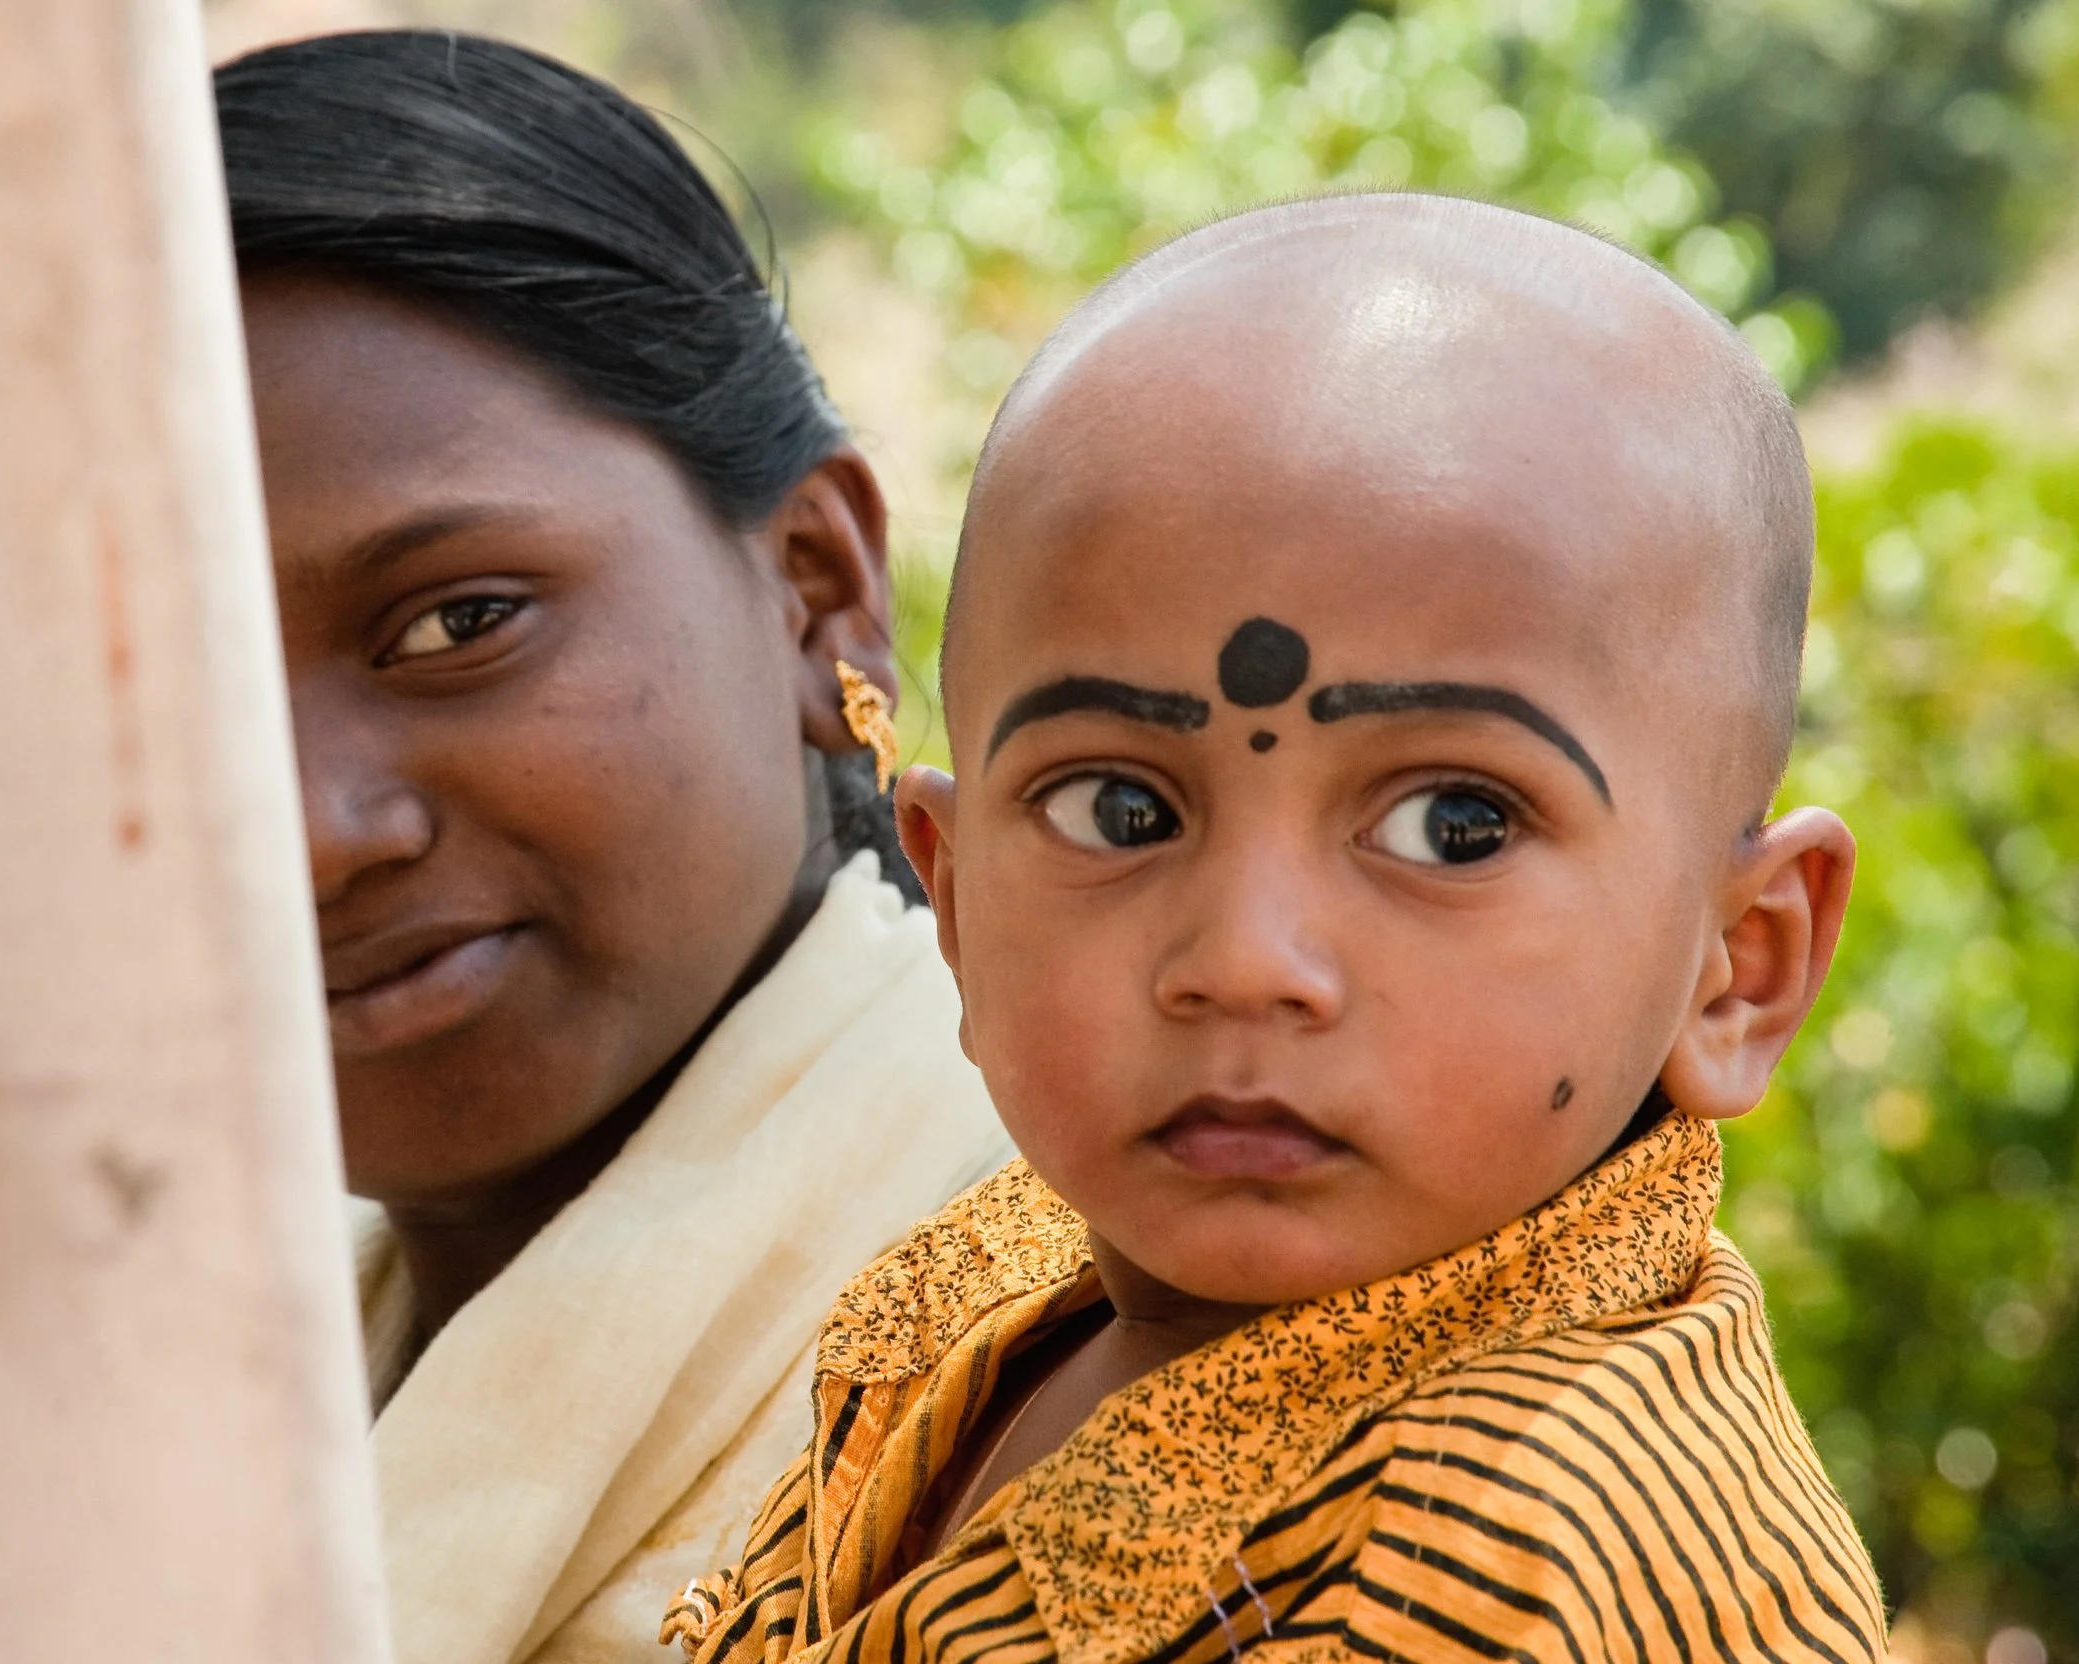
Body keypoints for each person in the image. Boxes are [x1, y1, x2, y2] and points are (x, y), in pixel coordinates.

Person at [666, 194, 1888, 1663]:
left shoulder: (1521, 1571)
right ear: (955, 893)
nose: (1244, 961)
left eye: (1455, 828)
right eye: (1119, 810)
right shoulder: (994, 1284)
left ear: (1739, 965)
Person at [213, 32, 1013, 1664]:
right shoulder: (158, 1442)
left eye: (456, 623)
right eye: (173, 700)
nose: (310, 835)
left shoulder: (1118, 1383)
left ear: (816, 585)